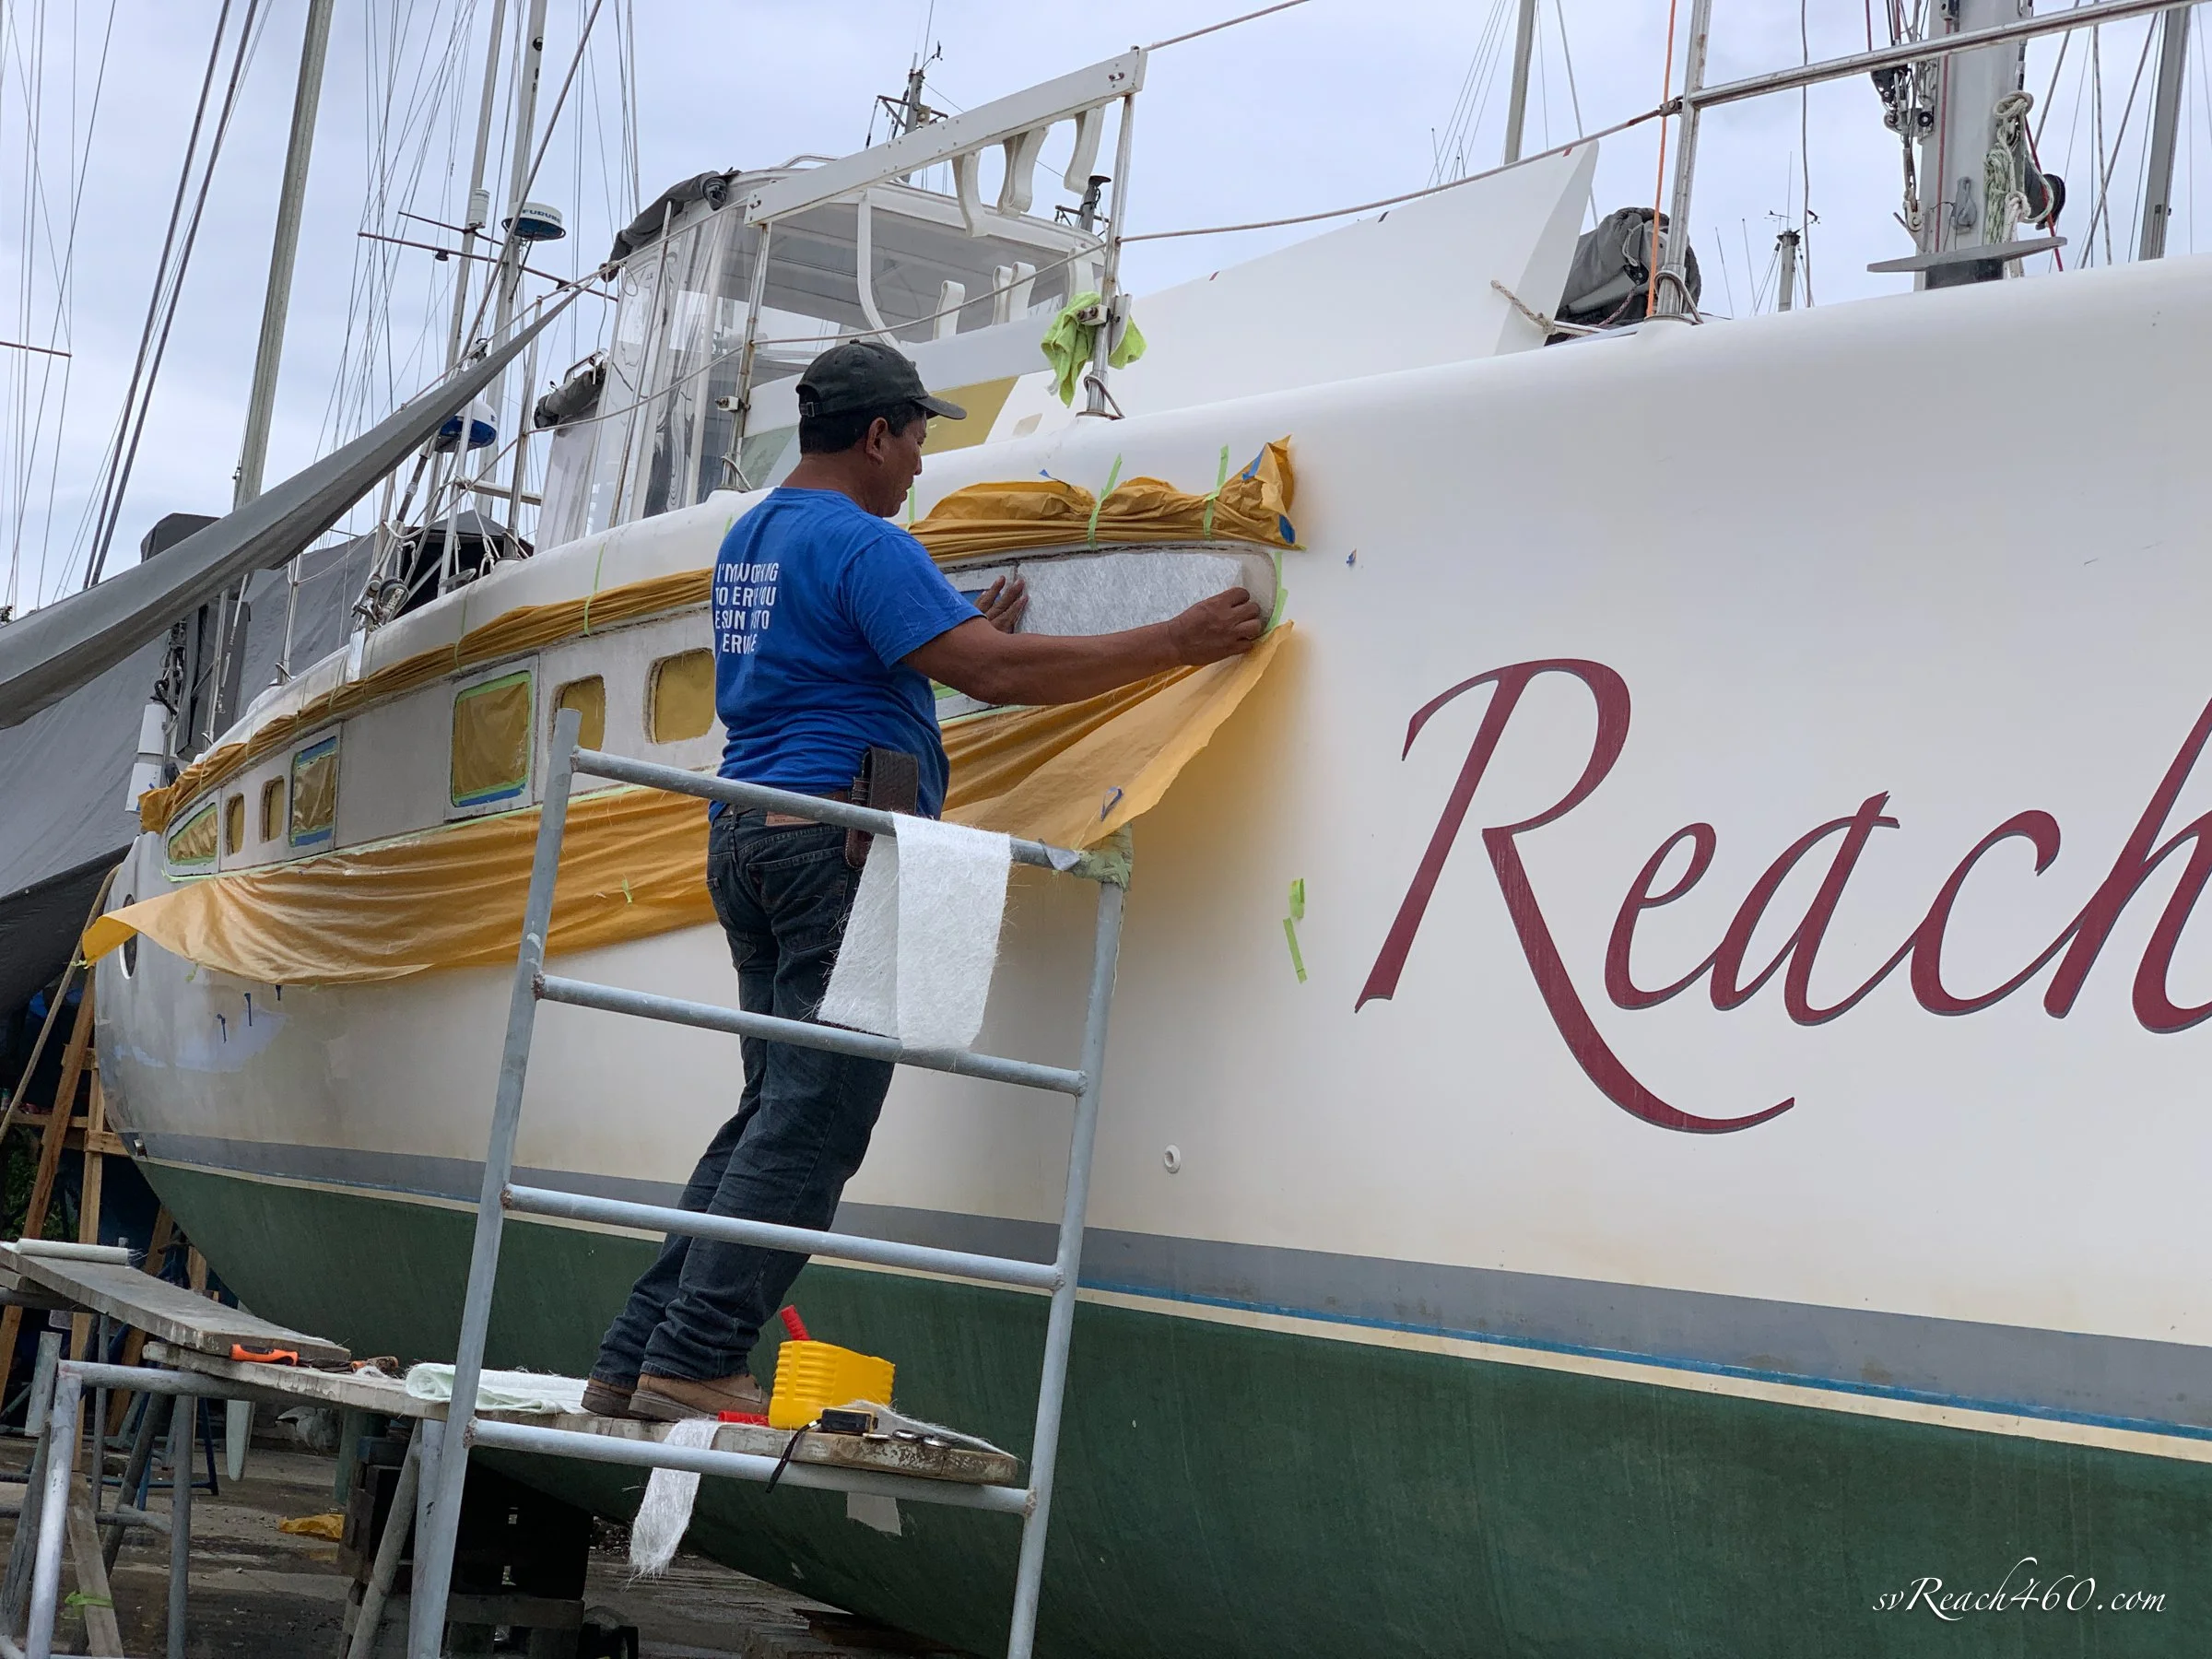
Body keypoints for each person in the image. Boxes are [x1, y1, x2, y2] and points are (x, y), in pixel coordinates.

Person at [586, 339, 1263, 1420]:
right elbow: (988, 673)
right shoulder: (868, 542)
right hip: (836, 845)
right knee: (816, 1121)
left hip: (749, 839)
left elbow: (838, 658)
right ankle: (695, 1357)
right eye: (914, 440)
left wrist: (943, 630)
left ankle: (634, 1359)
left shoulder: (754, 536)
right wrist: (1177, 640)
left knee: (772, 1111)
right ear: (874, 435)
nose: (918, 465)